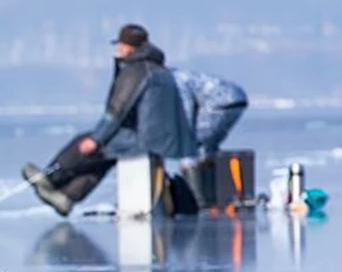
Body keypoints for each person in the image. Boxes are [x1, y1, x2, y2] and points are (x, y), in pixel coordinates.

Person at [22, 23, 196, 216]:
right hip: (159, 138)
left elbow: (116, 110)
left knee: (87, 143)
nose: (118, 49)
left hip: (145, 139)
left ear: (129, 47)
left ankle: (50, 178)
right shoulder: (158, 69)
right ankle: (68, 197)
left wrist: (96, 139)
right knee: (105, 156)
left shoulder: (135, 70)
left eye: (120, 45)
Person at [173, 67, 247, 157]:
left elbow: (186, 106)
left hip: (220, 102)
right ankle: (214, 164)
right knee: (210, 143)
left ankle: (191, 165)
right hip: (237, 99)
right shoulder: (177, 75)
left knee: (193, 141)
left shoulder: (174, 80)